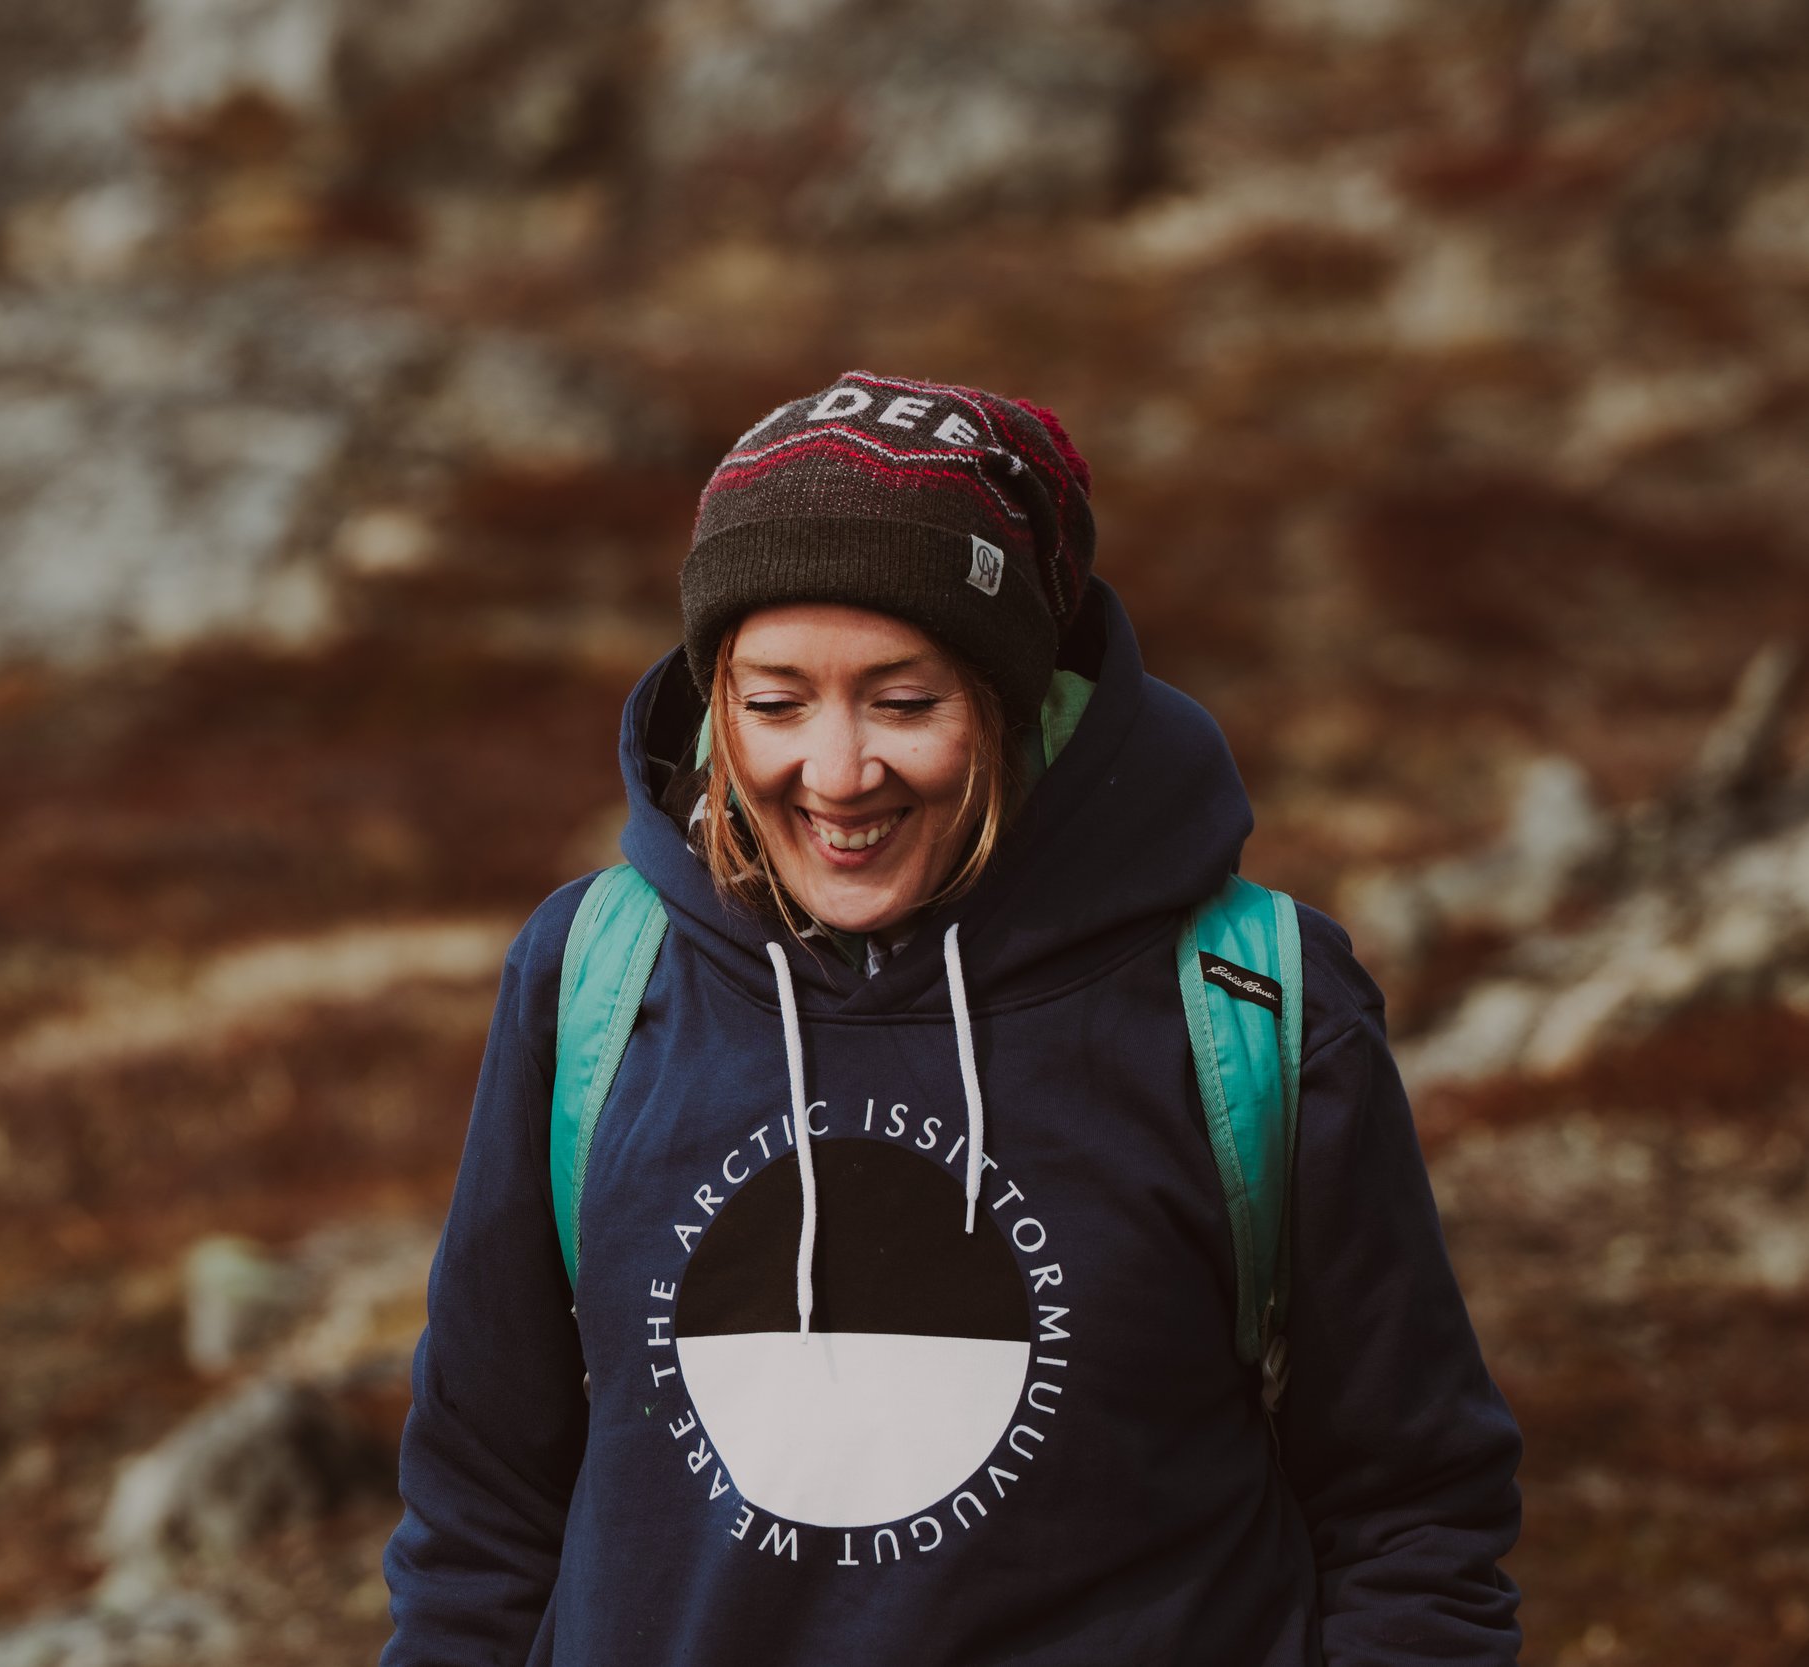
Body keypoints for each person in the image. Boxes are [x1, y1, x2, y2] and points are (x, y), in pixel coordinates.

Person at [379, 372, 1523, 1665]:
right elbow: (482, 1511)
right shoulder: (595, 974)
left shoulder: (1248, 998)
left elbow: (1414, 1513)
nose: (836, 772)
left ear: (1012, 695)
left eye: (904, 700)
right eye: (772, 700)